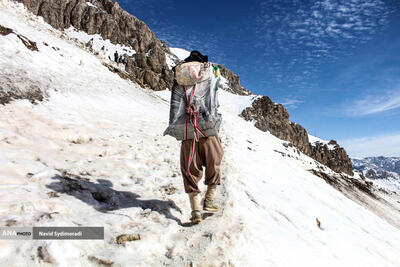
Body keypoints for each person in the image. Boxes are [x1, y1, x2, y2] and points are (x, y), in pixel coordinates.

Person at [164, 51, 224, 224]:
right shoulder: (209, 74)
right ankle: (209, 199)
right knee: (215, 159)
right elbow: (214, 102)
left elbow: (175, 109)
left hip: (187, 132)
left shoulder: (179, 79)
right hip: (207, 129)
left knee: (190, 169)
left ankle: (195, 210)